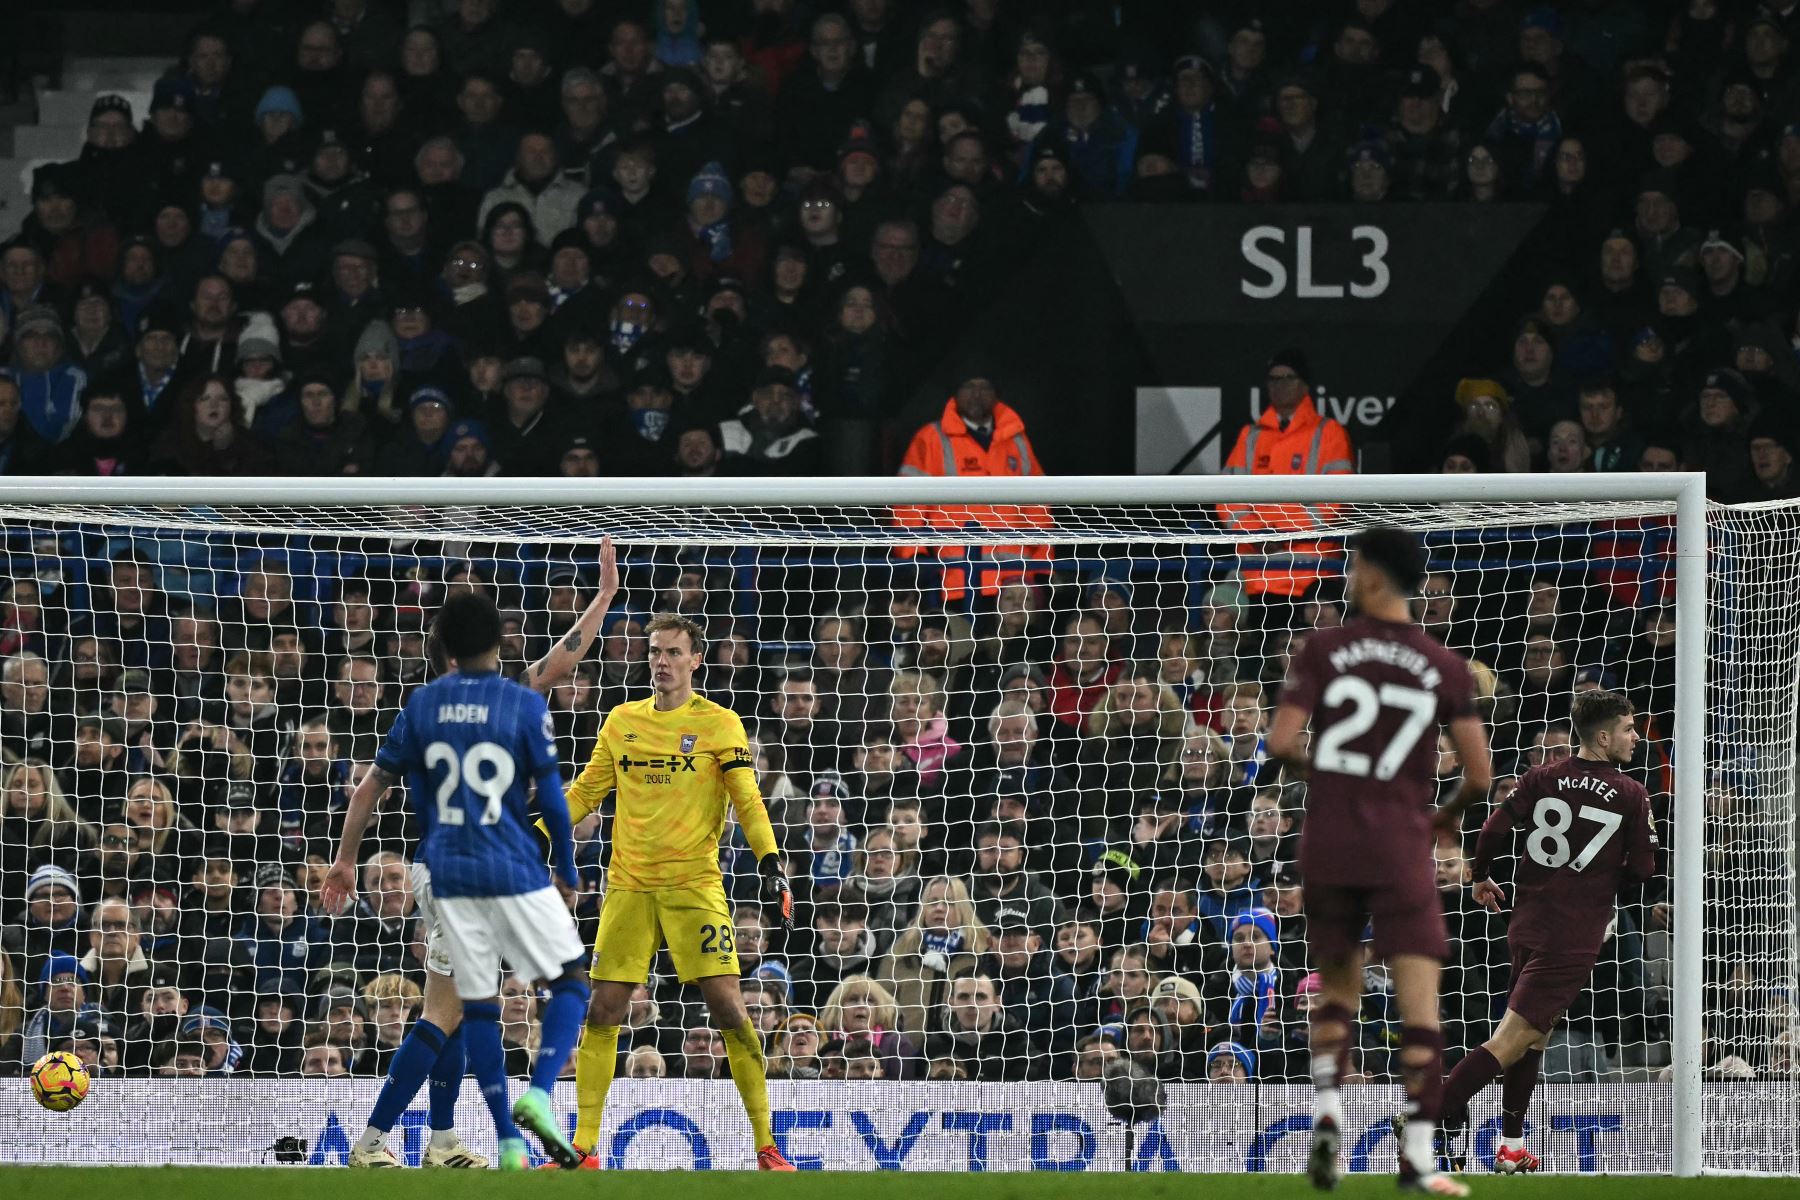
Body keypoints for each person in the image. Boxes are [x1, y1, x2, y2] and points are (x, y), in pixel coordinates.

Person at [320, 541, 616, 1159]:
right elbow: (563, 660)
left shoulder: (422, 707)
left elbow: (370, 785)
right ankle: (372, 1142)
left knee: (458, 1005)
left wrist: (347, 859)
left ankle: (442, 1139)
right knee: (443, 1011)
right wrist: (603, 598)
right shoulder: (513, 697)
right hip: (483, 872)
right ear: (500, 642)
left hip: (437, 866)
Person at [1265, 526, 1491, 1196]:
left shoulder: (1325, 648)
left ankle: (1329, 1115)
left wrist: (1337, 768)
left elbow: (1280, 742)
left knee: (1336, 995)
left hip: (1329, 840)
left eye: (1350, 563)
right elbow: (1480, 776)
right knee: (1420, 1007)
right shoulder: (1444, 665)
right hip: (1399, 843)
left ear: (1368, 573)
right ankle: (1419, 1160)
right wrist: (1441, 818)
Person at [553, 611, 797, 1171]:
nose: (660, 661)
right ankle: (585, 1149)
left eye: (672, 652)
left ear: (695, 660)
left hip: (695, 886)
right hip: (630, 888)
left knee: (731, 1011)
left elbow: (748, 800)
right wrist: (534, 829)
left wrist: (770, 863)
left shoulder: (720, 724)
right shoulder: (621, 721)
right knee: (604, 1011)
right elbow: (587, 791)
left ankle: (765, 1144)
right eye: (654, 651)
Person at [1434, 690, 1659, 1174]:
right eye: (1628, 728)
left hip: (1527, 923)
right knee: (1513, 1040)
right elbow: (1642, 869)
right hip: (1572, 935)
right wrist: (1603, 877)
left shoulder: (1542, 776)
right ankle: (1427, 1113)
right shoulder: (1630, 793)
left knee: (1532, 1039)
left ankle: (1511, 1147)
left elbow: (1492, 829)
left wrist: (1479, 877)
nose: (1635, 737)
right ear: (1603, 736)